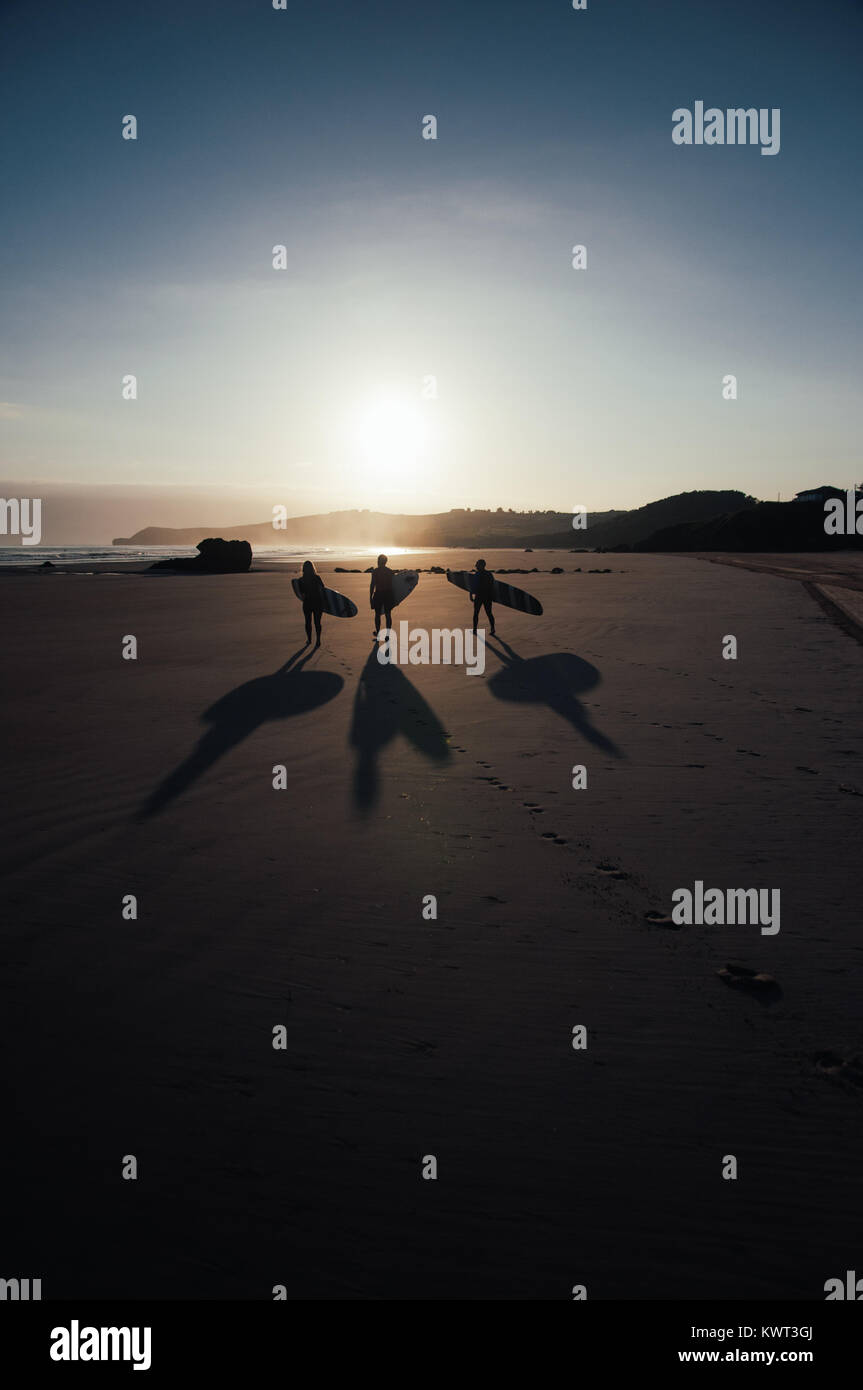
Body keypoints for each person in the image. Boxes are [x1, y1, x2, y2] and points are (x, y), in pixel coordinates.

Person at [298, 559, 325, 646]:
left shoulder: (301, 580)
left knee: (308, 622)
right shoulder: (317, 578)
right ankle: (318, 640)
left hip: (307, 603)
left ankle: (309, 640)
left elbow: (301, 594)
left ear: (303, 569)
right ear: (312, 568)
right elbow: (322, 590)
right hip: (318, 603)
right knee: (317, 622)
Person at [369, 553, 394, 640]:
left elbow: (372, 585)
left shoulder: (375, 571)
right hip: (388, 594)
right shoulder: (390, 571)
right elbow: (394, 585)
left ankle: (378, 633)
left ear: (379, 561)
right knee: (388, 615)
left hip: (379, 594)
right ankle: (387, 635)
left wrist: (370, 598)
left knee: (377, 615)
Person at [471, 558, 496, 636]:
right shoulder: (487, 574)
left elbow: (492, 586)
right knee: (478, 613)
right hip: (482, 596)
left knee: (486, 613)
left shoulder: (483, 574)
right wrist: (471, 594)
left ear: (482, 566)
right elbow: (473, 585)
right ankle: (475, 629)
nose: (476, 567)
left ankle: (492, 628)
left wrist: (471, 594)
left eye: (477, 565)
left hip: (484, 596)